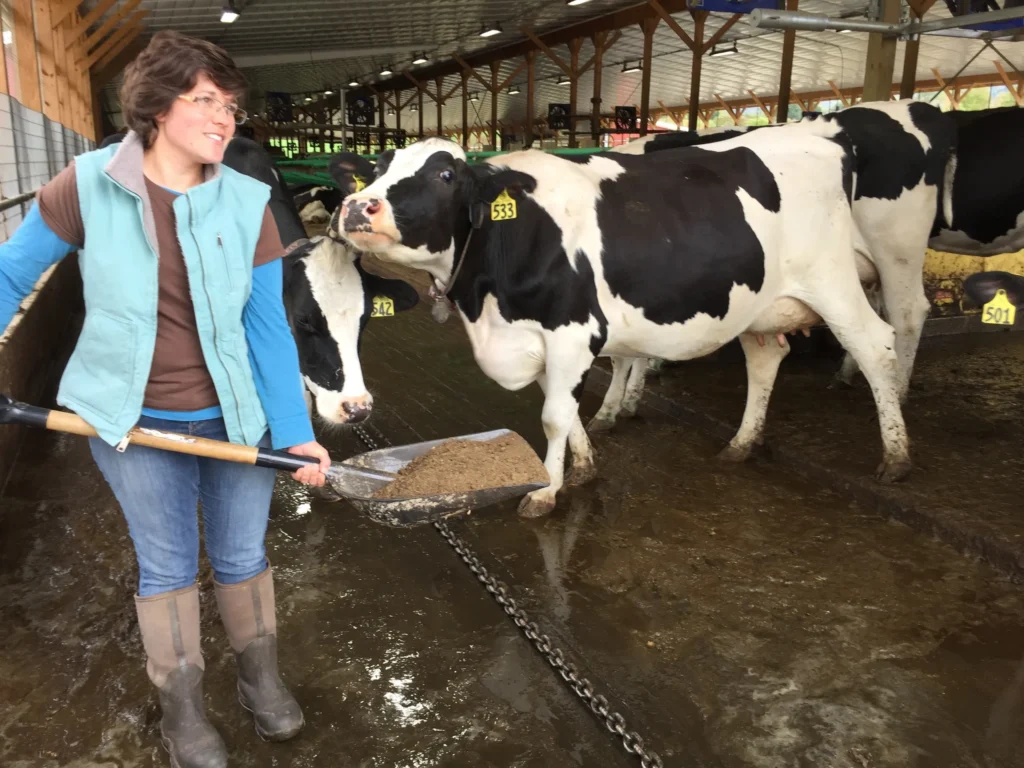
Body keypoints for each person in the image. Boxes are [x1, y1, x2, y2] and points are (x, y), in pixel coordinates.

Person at [0, 30, 330, 768]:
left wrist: (295, 430)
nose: (225, 117)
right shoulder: (86, 185)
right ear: (155, 106)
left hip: (236, 419)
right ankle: (183, 707)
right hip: (127, 420)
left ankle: (260, 678)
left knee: (244, 553)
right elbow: (9, 276)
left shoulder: (249, 203)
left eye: (232, 104)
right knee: (168, 563)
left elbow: (270, 329)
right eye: (206, 100)